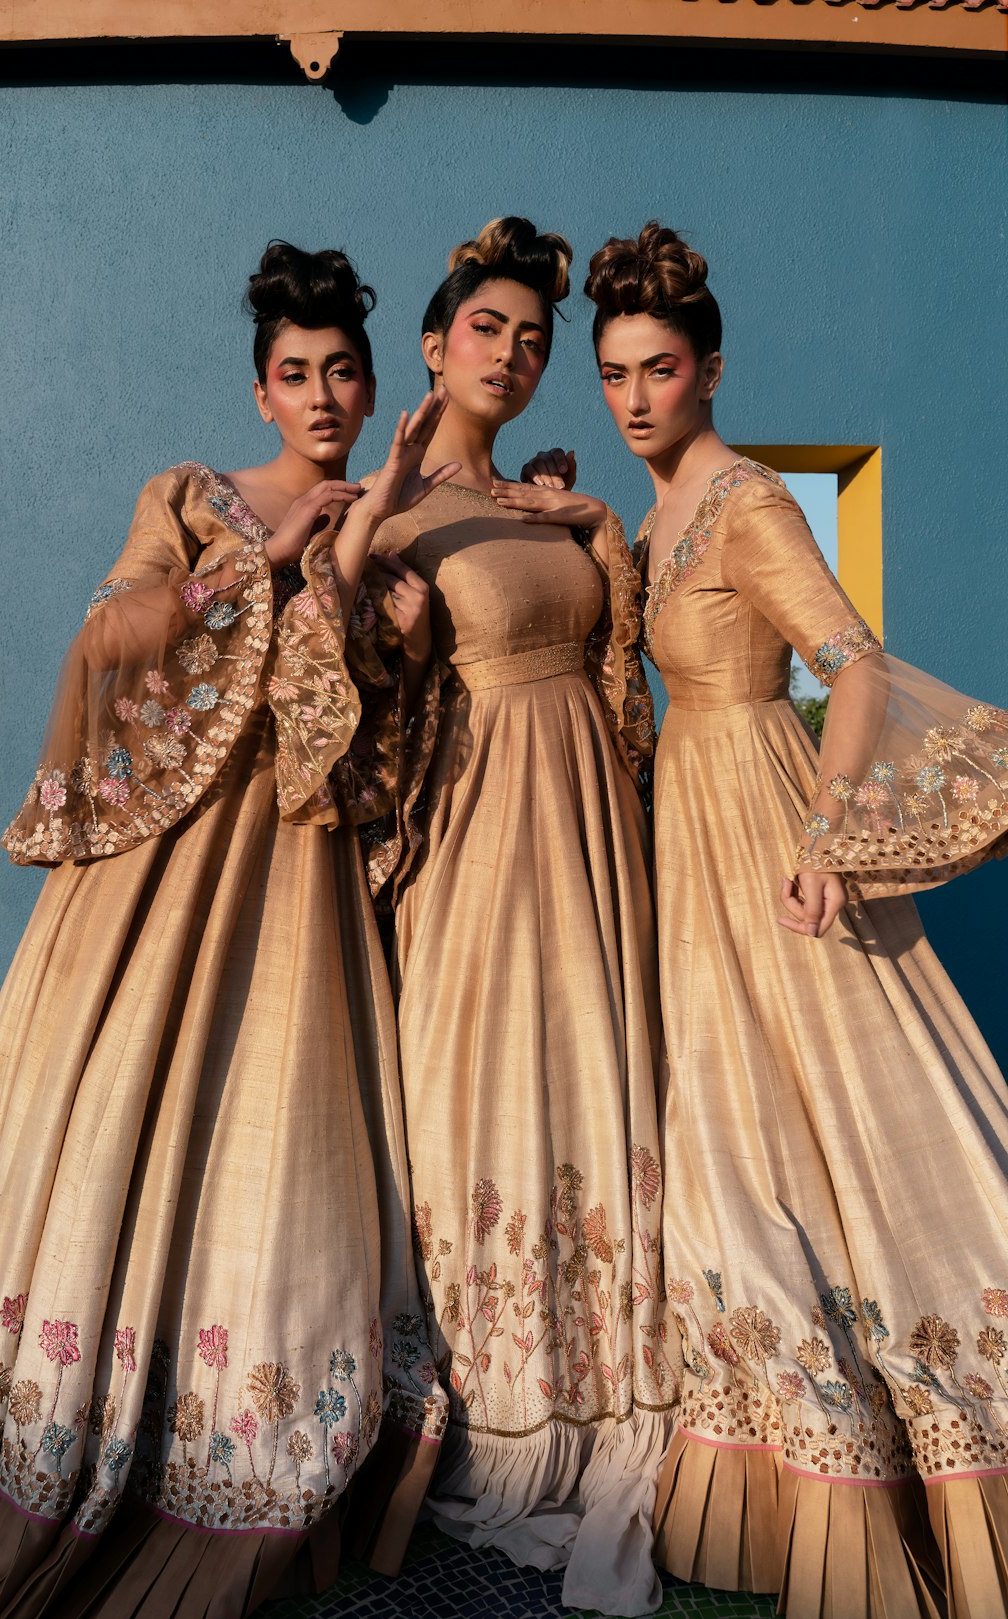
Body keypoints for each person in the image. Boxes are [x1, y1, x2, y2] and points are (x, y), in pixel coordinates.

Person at [0, 240, 458, 1619]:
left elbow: (380, 744)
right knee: (118, 1116)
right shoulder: (191, 495)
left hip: (297, 880)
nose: (322, 394)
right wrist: (261, 564)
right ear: (261, 390)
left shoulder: (388, 527)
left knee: (270, 1128)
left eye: (342, 370)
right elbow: (110, 638)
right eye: (296, 372)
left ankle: (237, 1433)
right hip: (160, 874)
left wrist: (403, 634)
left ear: (372, 384)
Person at [504, 220, 1008, 1618]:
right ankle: (779, 1460)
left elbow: (855, 665)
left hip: (765, 812)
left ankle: (919, 1439)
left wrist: (832, 838)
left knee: (839, 1114)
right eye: (614, 373)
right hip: (689, 829)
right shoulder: (664, 512)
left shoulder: (751, 504)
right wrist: (589, 529)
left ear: (712, 370)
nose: (635, 397)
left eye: (660, 369)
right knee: (733, 1132)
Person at [369, 216, 676, 1618]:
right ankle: (505, 1408)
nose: (511, 352)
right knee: (487, 1087)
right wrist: (383, 611)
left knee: (601, 1075)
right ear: (434, 348)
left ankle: (613, 1380)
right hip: (480, 832)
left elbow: (622, 665)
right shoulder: (392, 515)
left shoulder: (549, 497)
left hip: (590, 830)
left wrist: (598, 529)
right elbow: (364, 711)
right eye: (485, 329)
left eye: (534, 339)